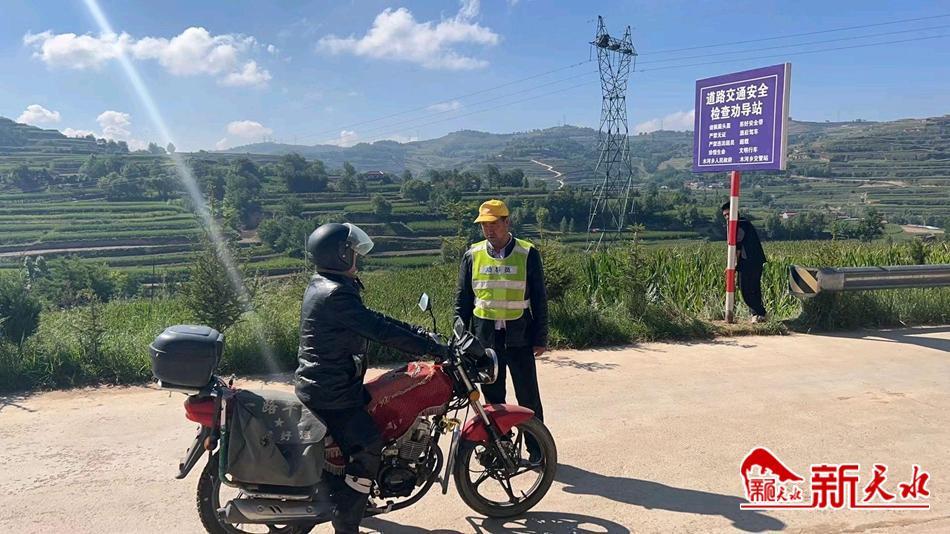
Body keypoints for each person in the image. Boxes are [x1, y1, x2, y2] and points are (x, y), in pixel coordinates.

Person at [295, 222, 449, 534]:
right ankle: (346, 525)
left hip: (327, 384)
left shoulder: (325, 284)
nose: (357, 256)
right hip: (332, 393)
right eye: (352, 251)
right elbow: (378, 330)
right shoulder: (336, 293)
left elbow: (374, 320)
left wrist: (420, 334)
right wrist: (431, 348)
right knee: (368, 445)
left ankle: (355, 496)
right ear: (340, 255)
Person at [454, 199, 549, 464]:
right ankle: (500, 449)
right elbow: (462, 301)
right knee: (493, 399)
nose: (489, 229)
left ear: (507, 222)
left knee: (528, 397)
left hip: (520, 337)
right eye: (484, 225)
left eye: (493, 224)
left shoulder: (527, 253)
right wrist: (459, 337)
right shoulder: (472, 255)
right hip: (485, 341)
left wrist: (540, 337)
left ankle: (538, 450)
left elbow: (540, 298)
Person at [721, 202, 768, 322]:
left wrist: (733, 265)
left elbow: (737, 247)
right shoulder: (744, 223)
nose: (727, 217)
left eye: (728, 214)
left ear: (735, 212)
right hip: (755, 260)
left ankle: (757, 313)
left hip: (748, 261)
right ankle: (759, 314)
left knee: (745, 289)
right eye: (725, 215)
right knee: (754, 288)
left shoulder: (740, 225)